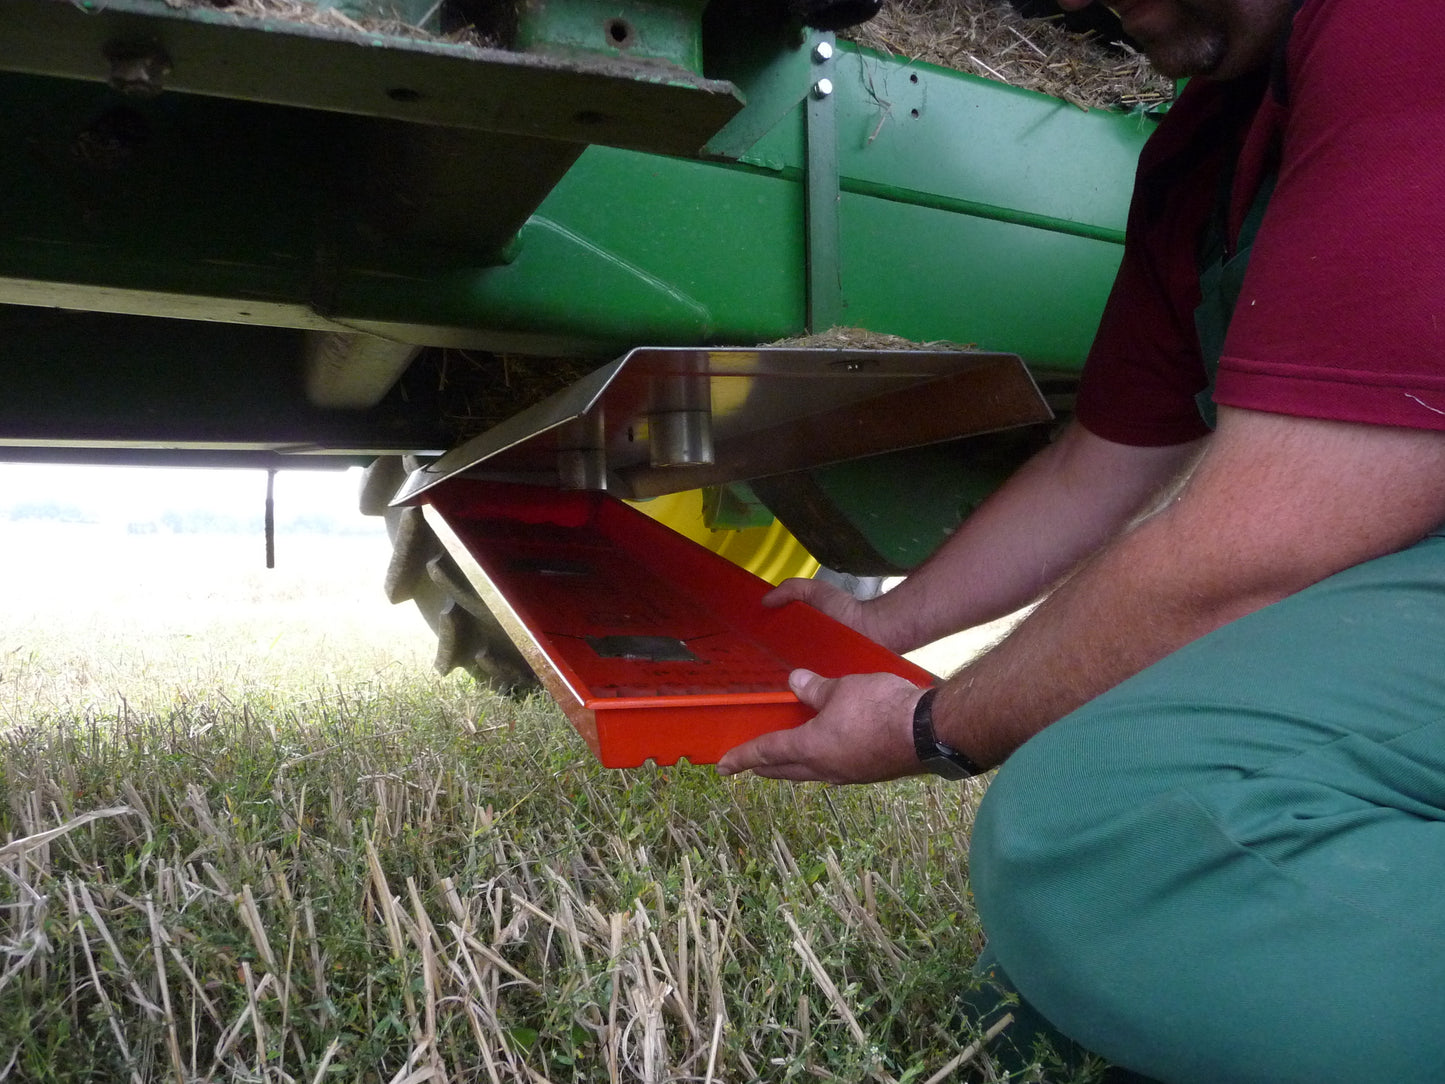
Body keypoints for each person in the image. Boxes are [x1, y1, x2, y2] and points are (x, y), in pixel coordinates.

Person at [718, 1, 1445, 1080]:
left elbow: (1258, 545)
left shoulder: (1401, 29)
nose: (1107, 7)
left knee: (1094, 829)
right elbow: (1097, 465)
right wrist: (879, 622)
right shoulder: (1200, 150)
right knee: (1050, 1001)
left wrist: (929, 726)